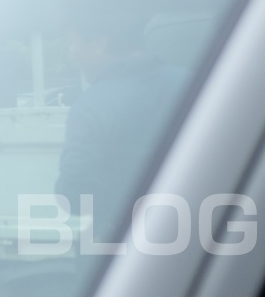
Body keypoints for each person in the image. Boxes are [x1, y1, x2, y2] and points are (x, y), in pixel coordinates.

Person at [54, 19, 189, 242]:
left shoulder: (92, 105)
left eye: (73, 43)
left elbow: (73, 192)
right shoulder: (191, 83)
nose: (72, 54)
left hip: (123, 248)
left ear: (99, 44)